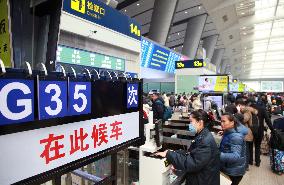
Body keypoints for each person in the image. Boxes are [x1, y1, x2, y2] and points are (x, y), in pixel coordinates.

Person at [155, 110, 220, 185]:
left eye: (191, 121)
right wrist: (175, 153)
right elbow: (193, 154)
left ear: (200, 122)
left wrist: (169, 155)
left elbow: (192, 163)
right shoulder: (202, 135)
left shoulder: (205, 141)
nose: (190, 124)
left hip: (203, 180)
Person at [220, 113, 247, 185]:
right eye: (221, 121)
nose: (221, 123)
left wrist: (218, 155)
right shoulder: (230, 131)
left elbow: (235, 156)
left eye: (224, 121)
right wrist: (225, 133)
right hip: (231, 169)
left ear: (232, 122)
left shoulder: (236, 137)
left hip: (233, 173)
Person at [248, 98, 274, 167]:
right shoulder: (262, 109)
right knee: (257, 146)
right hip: (259, 130)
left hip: (250, 130)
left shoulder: (248, 109)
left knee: (250, 145)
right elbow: (267, 120)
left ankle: (250, 161)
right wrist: (272, 129)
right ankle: (257, 162)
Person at [235, 100, 257, 170]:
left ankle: (246, 166)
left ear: (239, 105)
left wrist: (238, 112)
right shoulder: (245, 111)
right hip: (246, 133)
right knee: (246, 150)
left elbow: (244, 119)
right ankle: (245, 165)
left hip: (247, 134)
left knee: (246, 151)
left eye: (237, 106)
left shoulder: (247, 111)